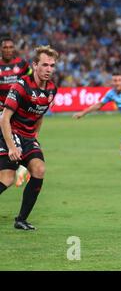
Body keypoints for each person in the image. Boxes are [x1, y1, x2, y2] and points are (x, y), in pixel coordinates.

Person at [0, 45, 58, 230]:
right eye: (45, 65)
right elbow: (4, 118)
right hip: (9, 132)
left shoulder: (51, 90)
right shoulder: (21, 86)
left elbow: (39, 115)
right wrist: (11, 147)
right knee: (7, 179)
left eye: (52, 65)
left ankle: (21, 220)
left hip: (27, 137)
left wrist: (34, 137)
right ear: (35, 65)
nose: (49, 69)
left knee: (39, 170)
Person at [0, 36, 33, 187]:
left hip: (18, 112)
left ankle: (19, 167)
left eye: (10, 47)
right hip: (2, 110)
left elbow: (31, 80)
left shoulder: (22, 64)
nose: (7, 50)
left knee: (17, 138)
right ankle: (20, 167)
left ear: (14, 49)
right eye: (5, 47)